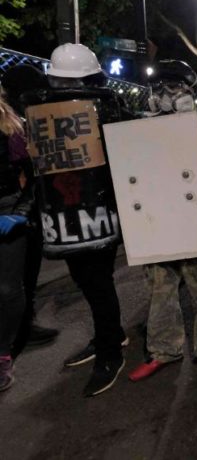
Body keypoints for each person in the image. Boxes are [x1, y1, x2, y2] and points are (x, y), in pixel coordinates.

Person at [32, 43, 129, 397]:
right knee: (86, 280)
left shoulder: (108, 109)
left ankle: (110, 351)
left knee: (98, 282)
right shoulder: (47, 112)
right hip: (64, 216)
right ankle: (111, 335)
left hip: (97, 212)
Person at [128, 60, 197, 382]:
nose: (166, 93)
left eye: (175, 86)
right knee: (161, 291)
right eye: (160, 86)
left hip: (196, 225)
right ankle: (163, 350)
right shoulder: (139, 131)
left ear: (189, 90)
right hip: (157, 227)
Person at [1, 64, 60, 354]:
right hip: (16, 205)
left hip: (16, 206)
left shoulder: (14, 123)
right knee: (15, 281)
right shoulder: (15, 122)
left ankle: (21, 327)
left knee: (18, 280)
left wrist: (24, 209)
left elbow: (29, 170)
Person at [0, 94, 33, 391]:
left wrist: (20, 212)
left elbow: (34, 175)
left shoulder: (11, 128)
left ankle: (2, 354)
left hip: (7, 209)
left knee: (8, 289)